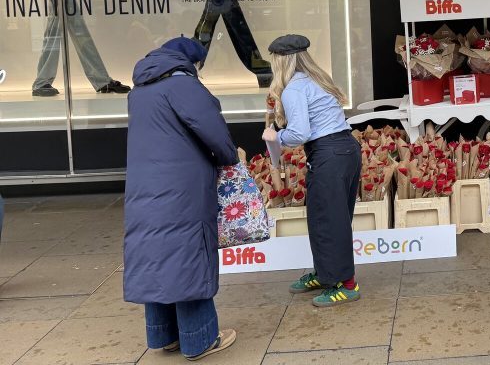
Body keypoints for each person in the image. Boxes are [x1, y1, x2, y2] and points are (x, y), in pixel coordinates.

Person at [123, 36, 237, 361]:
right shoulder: (185, 86)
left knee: (156, 253)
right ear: (190, 62)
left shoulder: (140, 91)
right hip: (183, 187)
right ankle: (199, 339)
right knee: (188, 253)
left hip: (144, 187)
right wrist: (229, 157)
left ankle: (164, 336)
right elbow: (214, 132)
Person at [261, 34, 361, 307]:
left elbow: (299, 133)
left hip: (328, 153)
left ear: (281, 61)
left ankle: (345, 285)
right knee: (332, 218)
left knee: (327, 221)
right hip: (346, 149)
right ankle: (327, 273)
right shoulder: (317, 78)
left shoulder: (293, 89)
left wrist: (276, 137)